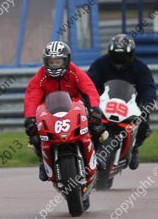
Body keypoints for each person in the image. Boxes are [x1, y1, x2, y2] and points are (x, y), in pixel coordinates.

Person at [23, 41, 104, 182]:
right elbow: (32, 96)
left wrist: (95, 109)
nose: (55, 65)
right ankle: (43, 162)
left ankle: (97, 155)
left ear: (66, 60)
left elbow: (89, 88)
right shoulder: (40, 76)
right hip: (49, 113)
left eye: (58, 61)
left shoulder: (75, 72)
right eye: (51, 62)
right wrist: (30, 118)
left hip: (75, 109)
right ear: (45, 62)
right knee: (34, 137)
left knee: (98, 128)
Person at [87, 34, 156, 170]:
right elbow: (89, 83)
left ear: (130, 55)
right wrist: (89, 101)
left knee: (144, 123)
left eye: (122, 57)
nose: (118, 62)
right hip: (103, 104)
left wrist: (147, 103)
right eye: (115, 56)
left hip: (131, 106)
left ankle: (134, 147)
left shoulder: (140, 67)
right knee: (89, 122)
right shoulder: (100, 64)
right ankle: (90, 149)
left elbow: (148, 87)